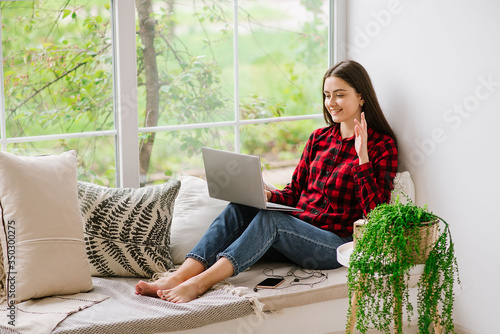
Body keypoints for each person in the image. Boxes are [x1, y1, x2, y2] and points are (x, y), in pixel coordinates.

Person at [135, 60, 398, 303]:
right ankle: (179, 276)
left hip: (334, 244)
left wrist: (362, 158)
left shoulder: (382, 146)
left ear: (361, 96)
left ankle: (200, 283)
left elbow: (376, 214)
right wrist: (269, 197)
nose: (331, 102)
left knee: (273, 221)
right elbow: (295, 192)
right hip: (297, 232)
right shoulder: (318, 138)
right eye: (327, 95)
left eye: (340, 94)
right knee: (241, 207)